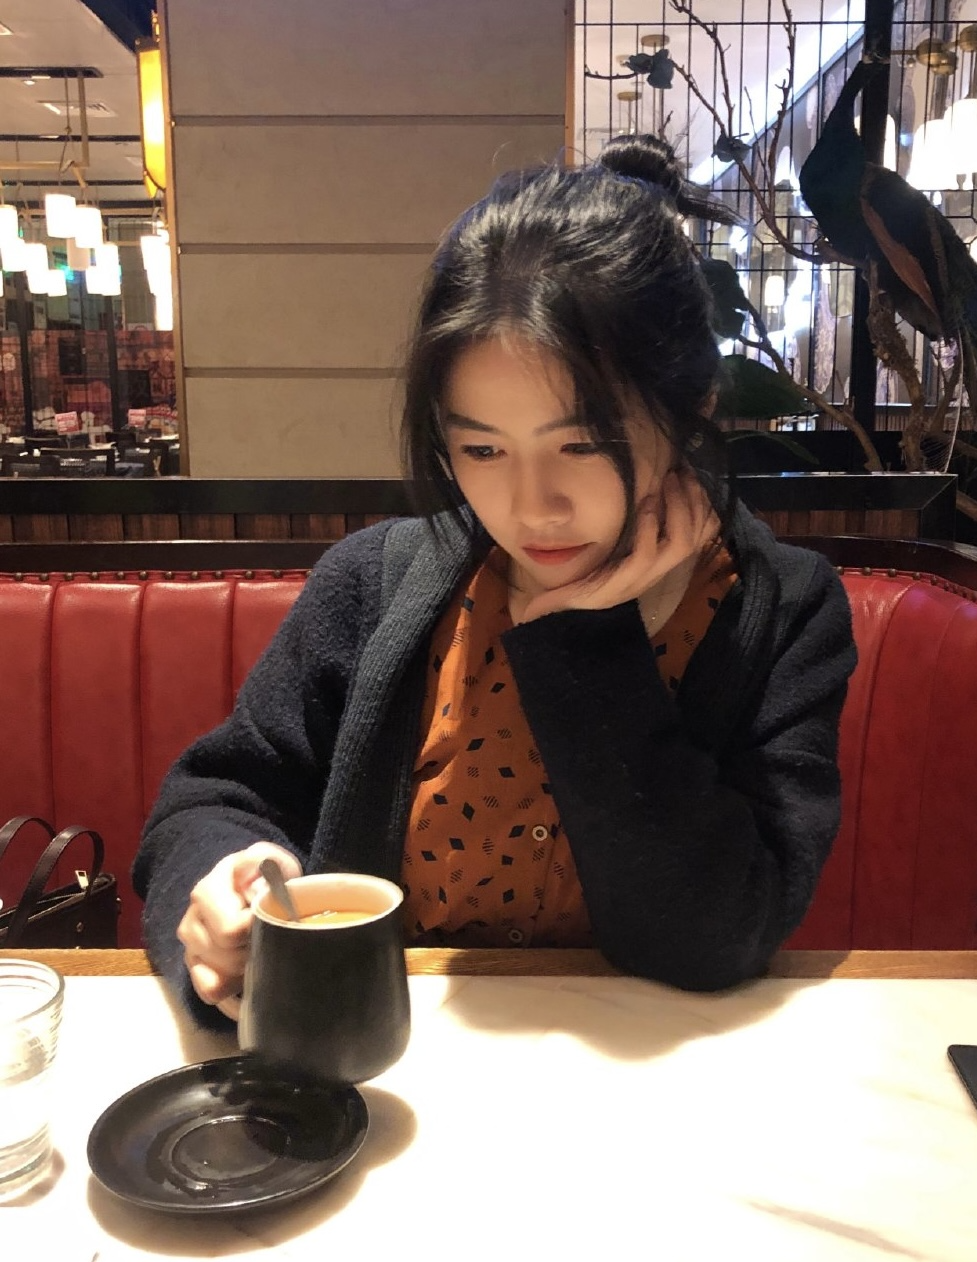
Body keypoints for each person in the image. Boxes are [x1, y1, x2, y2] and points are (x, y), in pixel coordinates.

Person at [133, 134, 857, 1028]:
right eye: (480, 448)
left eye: (583, 443)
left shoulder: (781, 611)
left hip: (666, 1078)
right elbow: (216, 794)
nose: (531, 507)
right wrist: (229, 885)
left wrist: (580, 637)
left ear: (691, 410)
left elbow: (717, 933)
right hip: (392, 1069)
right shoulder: (378, 581)